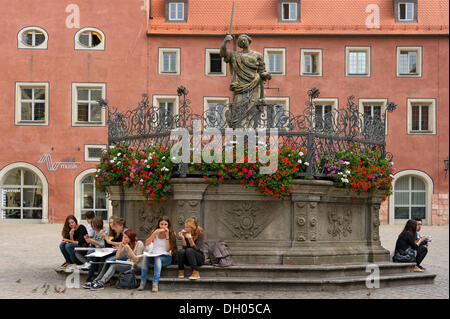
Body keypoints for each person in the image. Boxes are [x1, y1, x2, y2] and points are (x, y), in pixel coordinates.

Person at [220, 34, 272, 128]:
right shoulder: (235, 55)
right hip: (239, 86)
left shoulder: (257, 55)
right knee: (237, 107)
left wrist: (266, 75)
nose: (242, 42)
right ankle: (239, 130)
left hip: (254, 84)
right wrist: (225, 42)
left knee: (253, 108)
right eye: (240, 41)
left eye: (244, 40)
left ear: (249, 41)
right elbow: (223, 53)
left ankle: (251, 130)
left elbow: (261, 71)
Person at [83, 217, 127, 286]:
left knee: (105, 259)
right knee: (95, 258)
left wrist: (104, 238)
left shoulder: (122, 232)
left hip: (120, 252)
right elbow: (109, 243)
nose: (111, 226)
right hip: (111, 250)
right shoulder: (114, 232)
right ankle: (91, 279)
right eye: (109, 223)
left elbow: (121, 243)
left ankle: (99, 280)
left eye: (112, 223)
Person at [138, 216, 177, 292]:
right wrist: (154, 233)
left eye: (165, 224)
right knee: (146, 257)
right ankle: (142, 282)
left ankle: (155, 283)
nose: (163, 226)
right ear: (159, 224)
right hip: (154, 255)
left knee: (158, 258)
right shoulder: (155, 232)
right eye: (161, 224)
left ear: (168, 225)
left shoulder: (172, 233)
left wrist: (167, 236)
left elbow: (167, 249)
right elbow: (146, 243)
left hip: (166, 258)